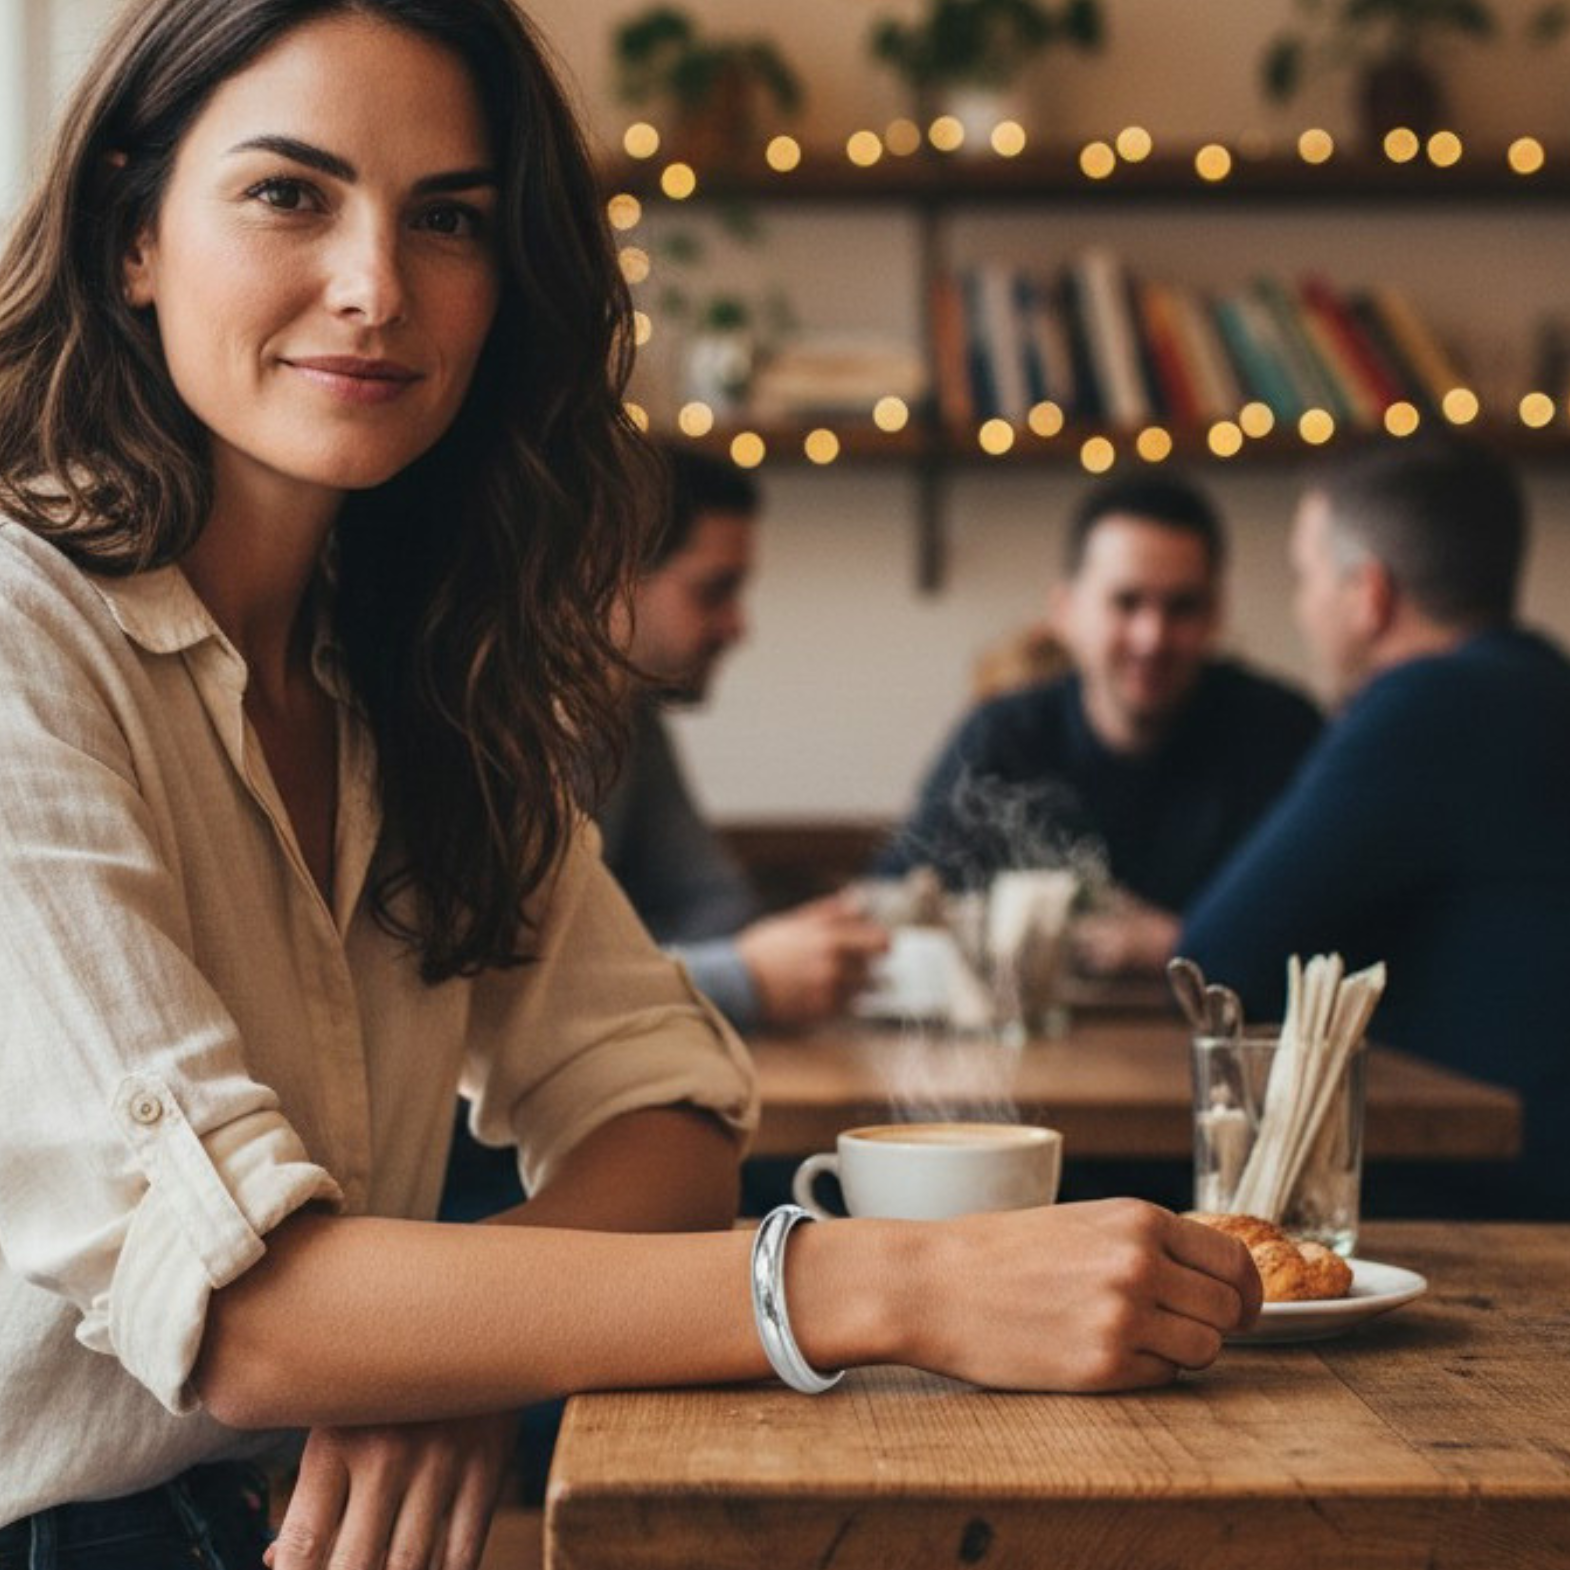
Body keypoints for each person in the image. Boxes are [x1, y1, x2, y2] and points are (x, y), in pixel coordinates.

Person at [0, 1, 1260, 1563]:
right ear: (132, 231)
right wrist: (901, 1280)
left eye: (447, 218)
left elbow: (665, 1100)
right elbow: (250, 1313)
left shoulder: (415, 660)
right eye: (287, 193)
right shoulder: (23, 632)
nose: (376, 287)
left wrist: (459, 1340)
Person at [1182, 437, 1570, 1219]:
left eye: (1306, 577)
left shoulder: (1429, 706)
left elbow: (1215, 959)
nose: (1302, 607)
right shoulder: (1542, 688)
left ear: (1369, 595)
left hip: (1494, 1193)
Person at [878, 473, 1322, 975]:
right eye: (1126, 602)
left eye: (1182, 607)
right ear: (1066, 611)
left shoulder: (1282, 734)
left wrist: (1181, 946)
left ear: (1216, 613)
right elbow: (896, 899)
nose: (1152, 637)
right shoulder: (1002, 736)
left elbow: (1330, 929)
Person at [597, 447, 889, 1032]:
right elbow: (516, 997)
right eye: (715, 591)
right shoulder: (508, 734)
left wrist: (808, 943)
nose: (738, 626)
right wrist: (746, 978)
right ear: (615, 579)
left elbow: (711, 905)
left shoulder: (628, 718)